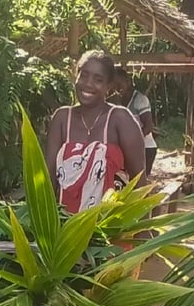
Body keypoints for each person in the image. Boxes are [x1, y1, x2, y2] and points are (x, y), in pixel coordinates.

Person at [46, 50, 147, 212]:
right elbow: (48, 179)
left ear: (109, 87)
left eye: (98, 79)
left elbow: (139, 181)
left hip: (111, 228)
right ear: (76, 76)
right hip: (67, 229)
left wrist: (142, 233)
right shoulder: (62, 118)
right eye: (84, 75)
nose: (88, 84)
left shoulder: (120, 119)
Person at [114, 68, 157, 176]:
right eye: (114, 84)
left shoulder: (140, 100)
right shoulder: (116, 100)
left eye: (120, 84)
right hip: (126, 149)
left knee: (138, 183)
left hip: (145, 148)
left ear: (128, 82)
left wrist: (132, 142)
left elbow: (148, 126)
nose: (117, 88)